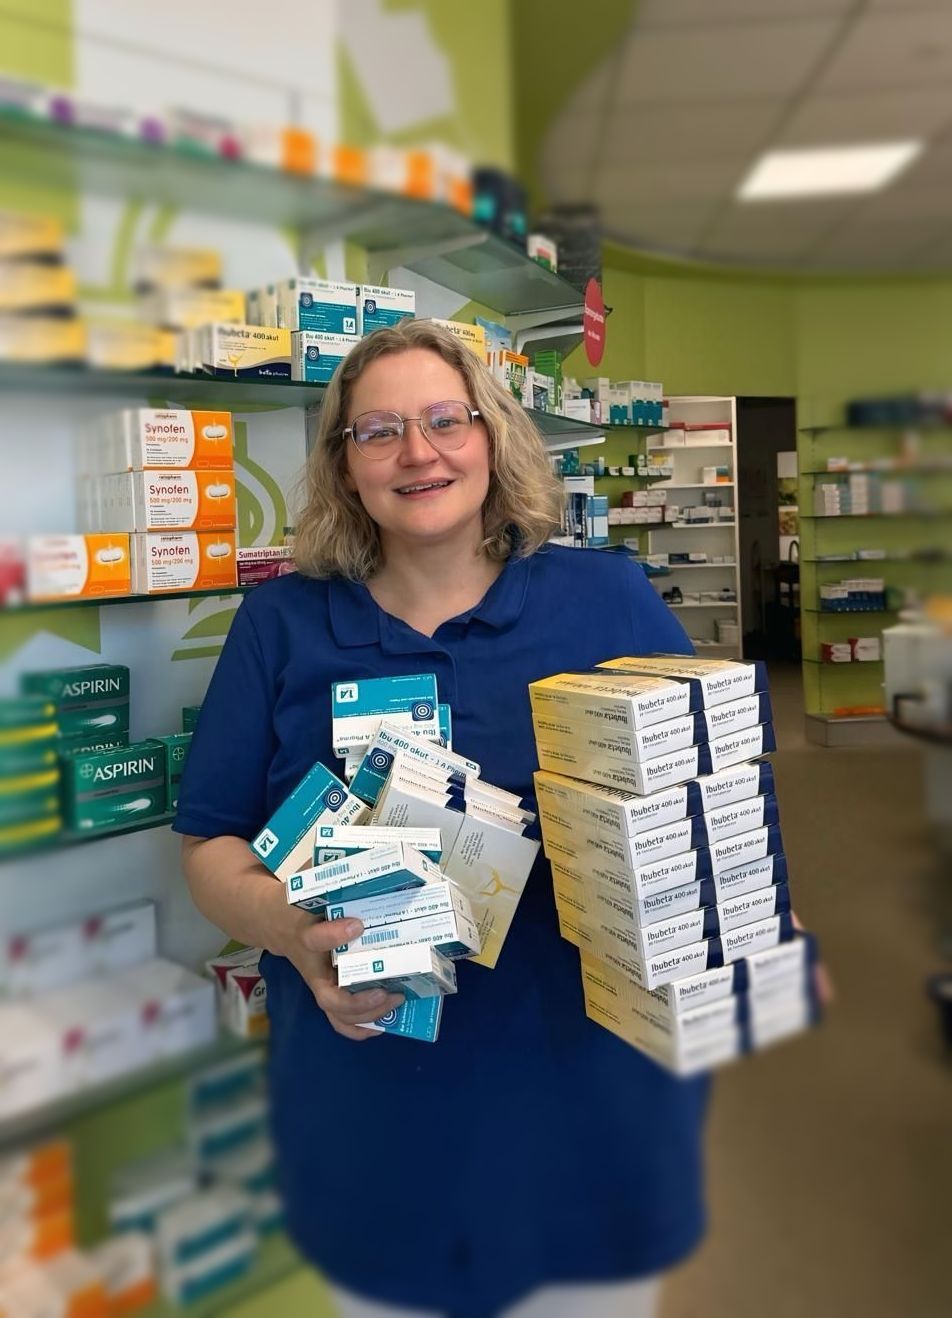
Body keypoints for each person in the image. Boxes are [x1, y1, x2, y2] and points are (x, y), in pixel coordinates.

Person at [175, 319, 708, 1318]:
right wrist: (291, 930)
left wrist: (740, 920)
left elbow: (706, 794)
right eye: (376, 432)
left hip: (586, 1109)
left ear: (493, 435)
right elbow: (209, 844)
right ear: (343, 468)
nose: (416, 453)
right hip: (375, 1113)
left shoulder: (608, 602)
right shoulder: (283, 623)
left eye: (443, 420)